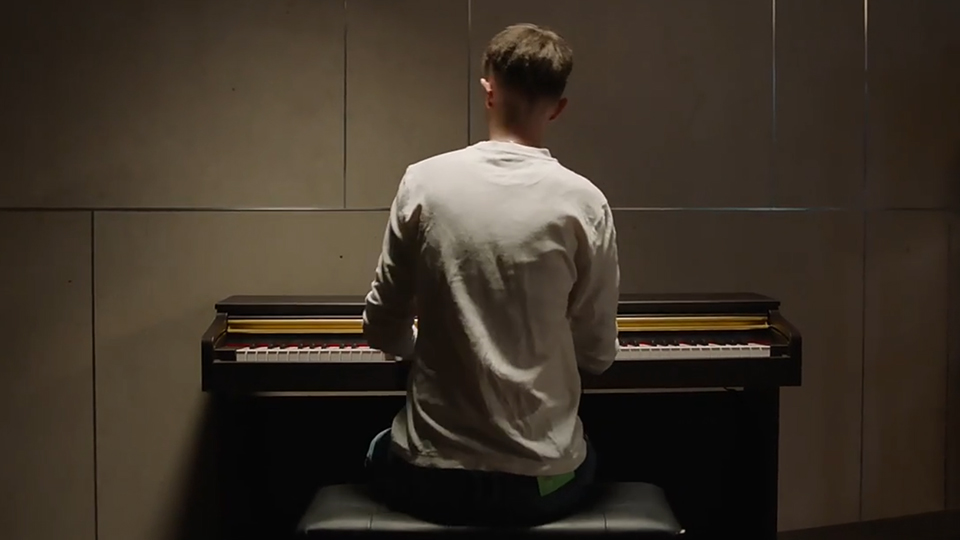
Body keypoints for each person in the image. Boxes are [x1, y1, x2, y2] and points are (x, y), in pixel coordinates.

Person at [361, 22, 620, 527]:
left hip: (431, 480)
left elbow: (381, 329)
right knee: (587, 456)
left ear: (488, 90)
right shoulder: (585, 202)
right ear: (559, 107)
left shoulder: (424, 182)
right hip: (539, 487)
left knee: (377, 447)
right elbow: (597, 354)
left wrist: (424, 345)